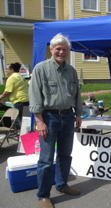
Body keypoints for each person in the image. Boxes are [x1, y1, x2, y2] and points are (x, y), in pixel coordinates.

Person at [29, 33, 83, 208]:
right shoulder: (41, 68)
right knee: (45, 160)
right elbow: (35, 96)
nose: (61, 52)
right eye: (58, 49)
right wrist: (39, 121)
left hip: (68, 117)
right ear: (51, 49)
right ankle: (43, 196)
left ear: (68, 52)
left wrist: (78, 114)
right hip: (49, 118)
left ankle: (62, 185)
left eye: (65, 49)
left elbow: (77, 94)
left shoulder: (71, 70)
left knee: (65, 155)